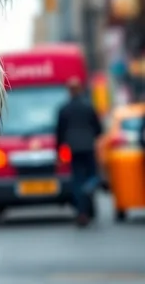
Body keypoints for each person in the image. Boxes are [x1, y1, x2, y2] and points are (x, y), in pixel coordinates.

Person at [56, 77, 103, 227]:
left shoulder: (64, 109)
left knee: (77, 180)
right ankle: (89, 188)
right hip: (88, 146)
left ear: (69, 91)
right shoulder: (89, 107)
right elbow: (99, 129)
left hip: (73, 148)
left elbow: (60, 133)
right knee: (93, 176)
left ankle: (81, 212)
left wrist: (58, 151)